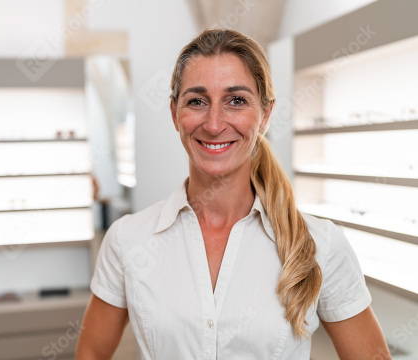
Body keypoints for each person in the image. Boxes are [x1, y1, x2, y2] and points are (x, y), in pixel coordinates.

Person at [76, 29, 390, 359]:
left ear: (266, 114)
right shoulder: (128, 240)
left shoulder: (320, 245)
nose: (214, 124)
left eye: (236, 101)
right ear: (173, 113)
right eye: (196, 101)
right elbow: (91, 354)